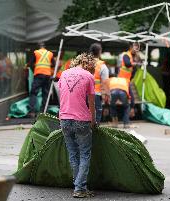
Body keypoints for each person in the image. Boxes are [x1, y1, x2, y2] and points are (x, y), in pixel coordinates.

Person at [59, 52, 96, 198]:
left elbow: (62, 96)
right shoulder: (88, 76)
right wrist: (93, 120)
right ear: (89, 65)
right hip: (81, 119)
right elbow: (92, 102)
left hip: (64, 118)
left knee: (73, 154)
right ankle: (80, 188)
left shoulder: (63, 74)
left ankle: (78, 185)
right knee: (85, 154)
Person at [28, 42, 55, 117]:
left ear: (38, 47)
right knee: (45, 93)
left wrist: (35, 71)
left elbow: (30, 64)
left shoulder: (36, 52)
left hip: (38, 75)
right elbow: (53, 64)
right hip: (47, 76)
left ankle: (32, 112)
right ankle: (43, 111)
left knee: (33, 92)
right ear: (44, 47)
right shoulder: (50, 53)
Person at [118, 42, 141, 117]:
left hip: (127, 81)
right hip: (122, 81)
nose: (136, 50)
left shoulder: (133, 56)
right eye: (135, 48)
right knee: (129, 98)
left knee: (130, 98)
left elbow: (136, 66)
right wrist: (135, 63)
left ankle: (129, 113)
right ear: (131, 47)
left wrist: (137, 60)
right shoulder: (126, 55)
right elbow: (128, 64)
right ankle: (128, 114)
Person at [89, 43, 110, 124]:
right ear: (100, 52)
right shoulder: (101, 66)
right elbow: (105, 82)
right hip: (95, 95)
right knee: (96, 116)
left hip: (83, 94)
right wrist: (107, 94)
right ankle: (94, 134)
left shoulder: (84, 63)